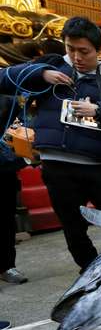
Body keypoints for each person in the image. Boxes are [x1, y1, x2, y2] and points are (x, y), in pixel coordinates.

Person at [0, 17, 101, 271]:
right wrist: (41, 73)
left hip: (98, 167)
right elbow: (3, 78)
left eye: (84, 51)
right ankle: (92, 273)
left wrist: (100, 110)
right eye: (70, 49)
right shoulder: (50, 69)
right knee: (73, 230)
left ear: (99, 50)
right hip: (57, 167)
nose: (76, 57)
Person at [0, 96, 26, 284]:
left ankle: (6, 266)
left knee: (5, 219)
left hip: (3, 168)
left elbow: (23, 121)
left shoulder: (7, 99)